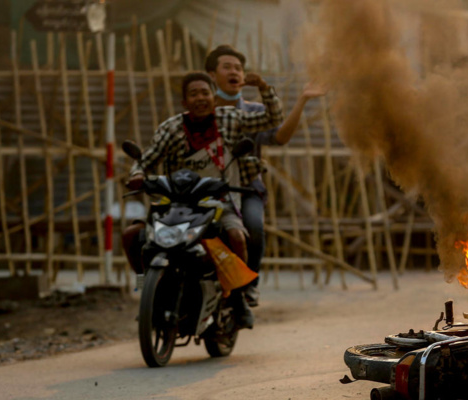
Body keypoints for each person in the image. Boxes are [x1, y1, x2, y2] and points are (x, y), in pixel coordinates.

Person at [122, 71, 283, 328]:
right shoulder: (171, 128)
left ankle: (238, 297)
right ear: (184, 102)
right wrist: (137, 174)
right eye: (193, 94)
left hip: (219, 203)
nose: (200, 98)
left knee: (238, 238)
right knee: (132, 235)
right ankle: (146, 287)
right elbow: (146, 159)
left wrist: (264, 87)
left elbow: (272, 118)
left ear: (214, 98)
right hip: (174, 204)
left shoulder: (230, 119)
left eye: (205, 93)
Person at [205, 45, 326, 307]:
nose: (234, 72)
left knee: (254, 227)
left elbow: (280, 135)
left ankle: (250, 286)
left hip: (246, 187)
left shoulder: (253, 112)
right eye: (227, 67)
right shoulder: (201, 112)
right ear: (212, 74)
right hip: (206, 188)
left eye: (238, 68)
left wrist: (303, 98)